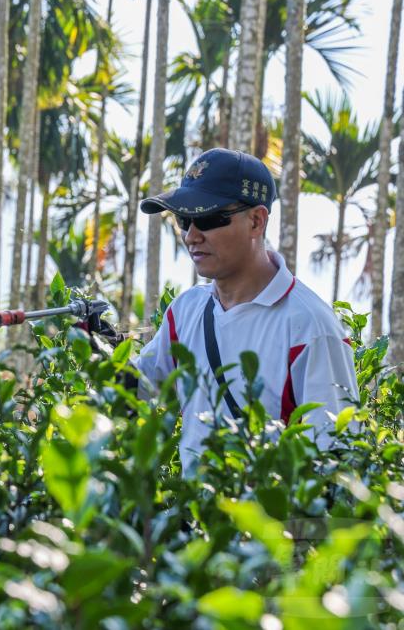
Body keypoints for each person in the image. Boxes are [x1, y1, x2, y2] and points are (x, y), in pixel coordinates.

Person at [134, 147, 358, 476]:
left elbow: (336, 461)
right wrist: (95, 351)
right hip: (195, 523)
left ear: (256, 221)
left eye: (208, 219)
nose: (191, 236)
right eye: (184, 220)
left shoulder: (310, 328)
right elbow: (137, 390)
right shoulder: (185, 311)